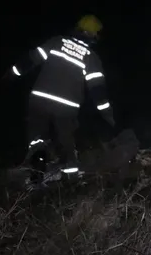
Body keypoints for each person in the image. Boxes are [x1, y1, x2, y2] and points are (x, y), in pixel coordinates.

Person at [10, 15, 115, 178]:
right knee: (66, 144)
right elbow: (98, 91)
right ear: (94, 35)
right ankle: (71, 182)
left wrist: (10, 75)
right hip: (65, 108)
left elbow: (30, 60)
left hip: (38, 100)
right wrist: (108, 117)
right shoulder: (91, 57)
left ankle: (37, 169)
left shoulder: (57, 42)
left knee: (36, 138)